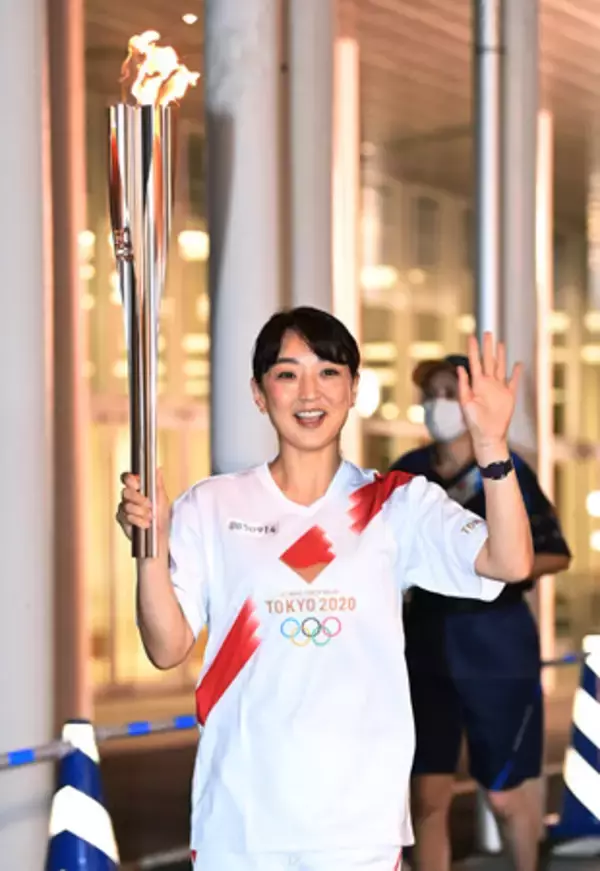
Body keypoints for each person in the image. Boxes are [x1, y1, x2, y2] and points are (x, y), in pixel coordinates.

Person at [116, 307, 534, 871]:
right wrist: (151, 550)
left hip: (356, 826)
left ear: (353, 389)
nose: (309, 393)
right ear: (259, 393)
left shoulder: (396, 504)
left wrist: (492, 448)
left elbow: (509, 561)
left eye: (329, 372)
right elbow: (167, 648)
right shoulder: (211, 506)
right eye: (287, 374)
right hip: (240, 821)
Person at [390, 353, 571, 871]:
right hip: (424, 649)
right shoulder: (409, 473)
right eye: (430, 395)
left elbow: (554, 552)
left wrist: (495, 568)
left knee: (505, 795)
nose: (437, 405)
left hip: (496, 649)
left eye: (449, 393)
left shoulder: (505, 470)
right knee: (426, 799)